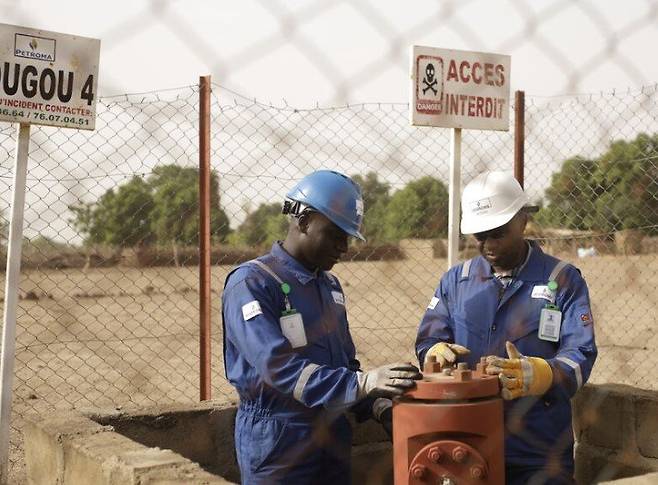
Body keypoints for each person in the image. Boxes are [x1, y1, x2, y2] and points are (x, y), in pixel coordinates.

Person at [222, 169, 421, 484]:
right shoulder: (252, 282)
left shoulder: (329, 286)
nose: (344, 246)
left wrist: (378, 404)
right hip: (279, 440)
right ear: (303, 221)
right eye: (336, 233)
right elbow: (278, 368)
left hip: (332, 437)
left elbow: (345, 366)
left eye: (348, 237)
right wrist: (364, 383)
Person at [415, 171, 597, 485]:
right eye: (479, 235)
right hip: (468, 440)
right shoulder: (456, 282)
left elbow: (581, 353)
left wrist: (542, 374)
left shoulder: (563, 279)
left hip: (538, 448)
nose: (487, 244)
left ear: (523, 220)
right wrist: (432, 349)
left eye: (497, 232)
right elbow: (430, 337)